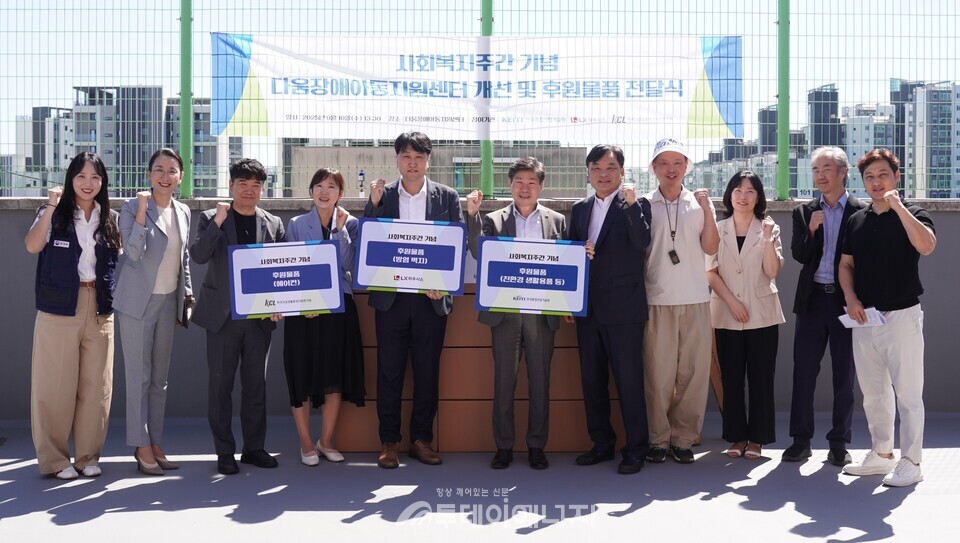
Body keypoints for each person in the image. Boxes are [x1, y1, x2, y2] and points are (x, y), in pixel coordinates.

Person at [365, 131, 464, 469]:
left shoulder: (447, 196)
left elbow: (457, 244)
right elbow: (369, 243)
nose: (412, 163)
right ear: (397, 159)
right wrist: (373, 204)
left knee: (427, 371)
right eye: (406, 156)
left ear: (428, 161)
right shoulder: (383, 195)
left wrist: (444, 284)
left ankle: (421, 440)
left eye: (419, 157)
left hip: (430, 301)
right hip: (391, 299)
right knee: (389, 373)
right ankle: (389, 442)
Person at [839, 149, 936, 487]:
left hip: (902, 316)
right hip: (865, 318)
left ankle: (912, 462)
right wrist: (850, 298)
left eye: (882, 175)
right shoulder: (857, 220)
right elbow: (846, 264)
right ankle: (882, 454)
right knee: (873, 393)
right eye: (869, 177)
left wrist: (898, 207)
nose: (876, 182)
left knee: (908, 394)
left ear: (897, 177)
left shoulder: (915, 213)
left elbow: (926, 245)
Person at [465, 157, 568, 470]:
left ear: (541, 186)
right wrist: (472, 215)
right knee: (504, 381)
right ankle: (504, 447)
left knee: (540, 381)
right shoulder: (493, 220)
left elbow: (565, 265)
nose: (525, 188)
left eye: (531, 182)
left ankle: (537, 445)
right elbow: (478, 252)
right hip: (505, 312)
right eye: (519, 182)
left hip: (542, 313)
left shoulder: (557, 220)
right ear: (509, 185)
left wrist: (567, 304)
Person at [25, 152, 121, 479]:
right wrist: (52, 206)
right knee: (55, 386)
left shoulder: (110, 218)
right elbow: (32, 245)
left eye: (95, 177)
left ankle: (87, 457)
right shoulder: (53, 213)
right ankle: (54, 460)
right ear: (70, 180)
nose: (88, 183)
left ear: (103, 182)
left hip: (100, 307)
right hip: (59, 306)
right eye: (81, 176)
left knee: (97, 387)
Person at [191, 158, 286, 475]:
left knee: (255, 387)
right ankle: (224, 452)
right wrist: (218, 222)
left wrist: (279, 302)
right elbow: (199, 255)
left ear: (262, 189)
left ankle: (254, 448)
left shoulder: (273, 223)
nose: (249, 190)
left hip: (260, 319)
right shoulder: (211, 217)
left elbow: (281, 269)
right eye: (243, 184)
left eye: (256, 185)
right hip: (223, 317)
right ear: (231, 185)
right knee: (220, 388)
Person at [567, 144, 652, 475]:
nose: (603, 174)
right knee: (592, 381)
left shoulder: (636, 203)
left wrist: (631, 205)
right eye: (596, 168)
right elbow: (571, 256)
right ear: (588, 173)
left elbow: (642, 242)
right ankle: (601, 444)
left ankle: (637, 448)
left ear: (622, 172)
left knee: (629, 381)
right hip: (588, 309)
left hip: (624, 309)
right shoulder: (580, 208)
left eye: (610, 168)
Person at [114, 148, 193, 476]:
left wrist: (187, 297)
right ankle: (140, 444)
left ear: (180, 177)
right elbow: (132, 253)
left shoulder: (183, 211)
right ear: (148, 175)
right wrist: (143, 212)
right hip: (136, 303)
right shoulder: (131, 208)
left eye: (172, 170)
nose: (165, 176)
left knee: (160, 380)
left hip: (168, 303)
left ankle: (155, 442)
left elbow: (183, 259)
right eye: (158, 169)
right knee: (139, 377)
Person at [784, 146, 865, 465]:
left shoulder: (860, 211)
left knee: (844, 374)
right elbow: (799, 255)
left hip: (846, 302)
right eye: (815, 170)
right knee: (803, 371)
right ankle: (800, 440)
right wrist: (812, 229)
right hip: (813, 300)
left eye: (826, 169)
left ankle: (839, 443)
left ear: (843, 172)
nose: (819, 175)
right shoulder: (804, 212)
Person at [642, 138, 719, 464]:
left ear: (687, 166)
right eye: (664, 163)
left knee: (693, 374)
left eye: (677, 162)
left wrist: (709, 210)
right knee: (658, 375)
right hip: (657, 299)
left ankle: (684, 439)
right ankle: (658, 439)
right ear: (653, 168)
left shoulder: (698, 203)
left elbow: (711, 247)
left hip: (696, 298)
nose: (671, 169)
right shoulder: (644, 204)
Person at [284, 168, 365, 466]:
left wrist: (339, 231)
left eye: (331, 186)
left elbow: (348, 265)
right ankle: (305, 442)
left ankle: (326, 440)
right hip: (303, 309)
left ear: (341, 194)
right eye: (318, 185)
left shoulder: (351, 224)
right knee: (301, 374)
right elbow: (291, 266)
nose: (324, 191)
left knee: (334, 376)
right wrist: (305, 301)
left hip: (338, 306)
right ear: (310, 191)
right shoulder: (295, 224)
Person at [706, 171, 785, 460]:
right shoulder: (717, 228)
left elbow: (772, 271)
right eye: (738, 190)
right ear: (729, 195)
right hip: (726, 313)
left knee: (761, 378)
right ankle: (737, 437)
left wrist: (768, 239)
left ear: (758, 197)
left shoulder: (769, 227)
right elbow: (710, 272)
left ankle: (758, 440)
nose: (743, 196)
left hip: (762, 314)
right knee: (731, 378)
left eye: (750, 191)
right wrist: (731, 302)